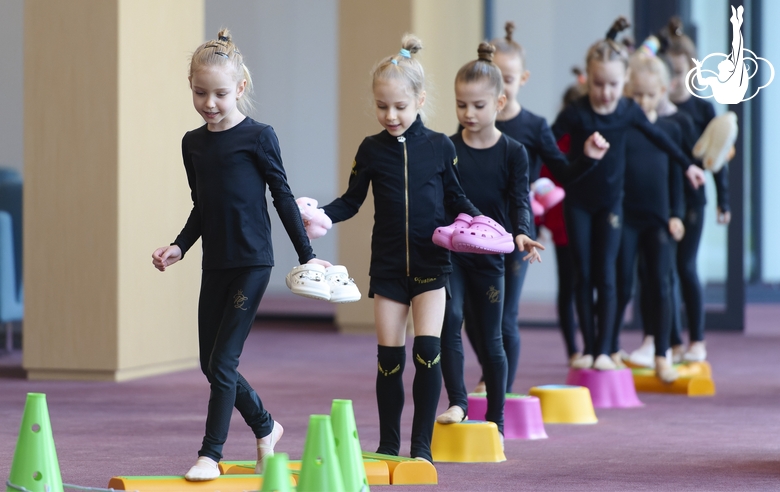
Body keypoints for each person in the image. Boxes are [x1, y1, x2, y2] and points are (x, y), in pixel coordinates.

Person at [151, 29, 332, 481]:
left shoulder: (258, 137)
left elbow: (283, 198)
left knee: (224, 361)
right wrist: (179, 246)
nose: (209, 102)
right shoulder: (192, 143)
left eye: (220, 93)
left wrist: (307, 255)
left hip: (253, 263)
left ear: (241, 89)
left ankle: (210, 454)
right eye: (199, 92)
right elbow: (202, 206)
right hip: (216, 262)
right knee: (208, 363)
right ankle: (266, 427)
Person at [319, 35, 485, 463]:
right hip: (389, 269)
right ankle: (389, 446)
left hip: (433, 265)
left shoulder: (440, 147)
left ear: (420, 101)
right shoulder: (371, 150)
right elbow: (350, 201)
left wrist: (482, 224)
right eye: (381, 106)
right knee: (389, 359)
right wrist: (320, 215)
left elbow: (458, 199)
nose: (390, 115)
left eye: (399, 106)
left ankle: (421, 449)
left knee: (427, 353)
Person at [551, 17, 706, 371]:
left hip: (611, 204)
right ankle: (588, 347)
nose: (605, 92)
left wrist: (688, 166)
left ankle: (605, 349)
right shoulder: (576, 112)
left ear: (623, 83)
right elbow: (548, 146)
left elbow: (661, 139)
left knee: (607, 275)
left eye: (613, 85)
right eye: (598, 84)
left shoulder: (627, 111)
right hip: (578, 203)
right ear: (588, 80)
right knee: (583, 275)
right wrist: (534, 175)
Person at [463, 23, 601, 389]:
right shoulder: (472, 121)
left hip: (515, 233)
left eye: (509, 79)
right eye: (496, 79)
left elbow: (564, 173)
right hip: (475, 232)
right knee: (473, 318)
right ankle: (490, 372)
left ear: (521, 79)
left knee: (504, 316)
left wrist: (586, 159)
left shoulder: (535, 126)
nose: (502, 87)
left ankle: (500, 389)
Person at [612, 52, 686, 382]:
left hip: (659, 219)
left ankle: (662, 353)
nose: (643, 101)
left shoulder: (671, 128)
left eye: (650, 94)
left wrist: (677, 214)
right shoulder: (623, 129)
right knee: (622, 284)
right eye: (636, 95)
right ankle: (610, 349)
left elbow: (676, 175)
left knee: (661, 284)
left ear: (662, 92)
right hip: (627, 218)